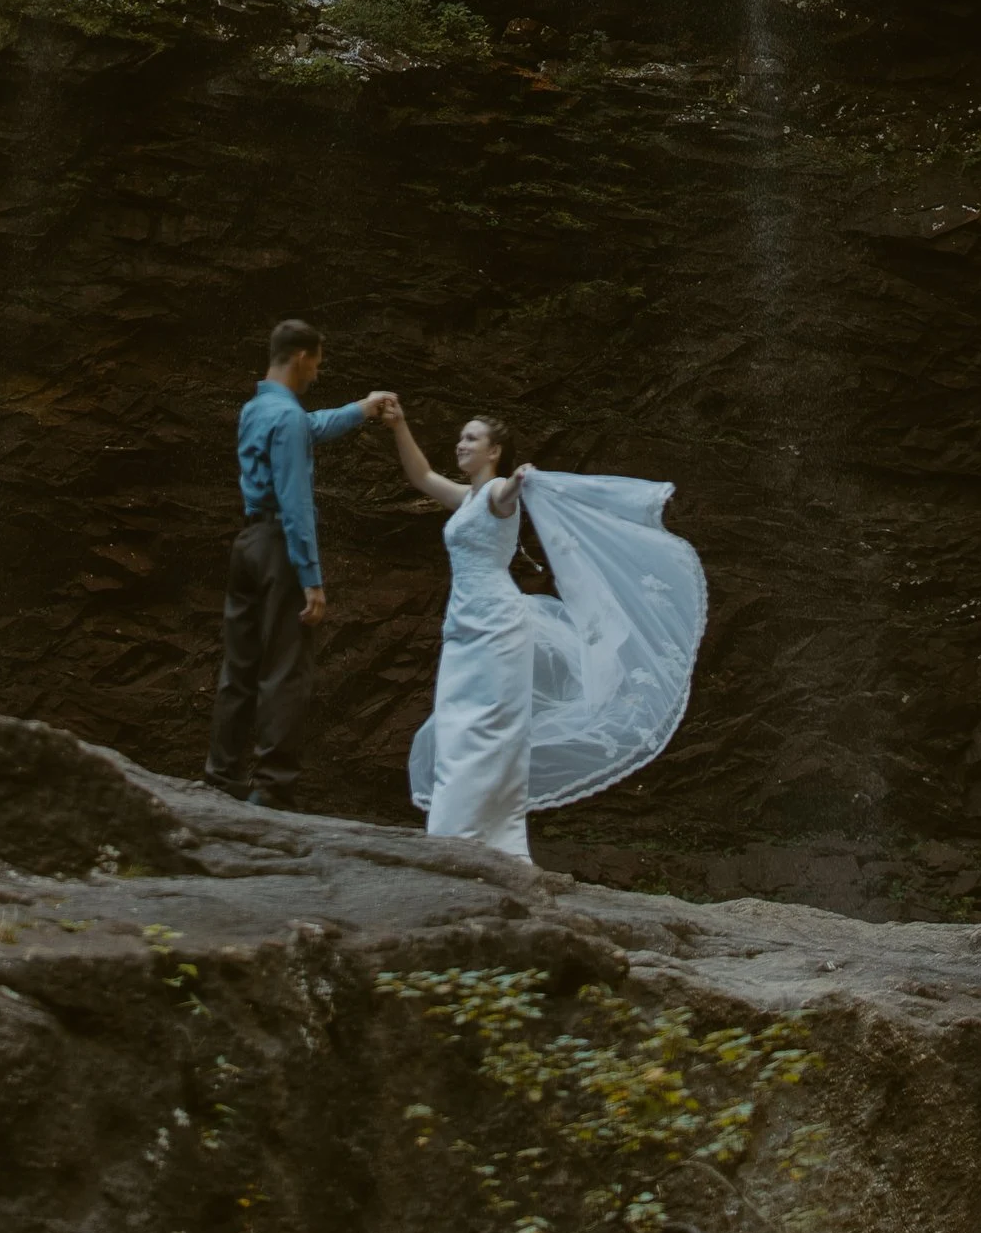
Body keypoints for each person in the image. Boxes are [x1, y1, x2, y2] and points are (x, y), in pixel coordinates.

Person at [382, 402, 707, 863]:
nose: (461, 443)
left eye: (472, 438)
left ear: (494, 452)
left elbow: (508, 496)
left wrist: (518, 480)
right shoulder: (467, 497)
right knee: (458, 726)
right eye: (461, 436)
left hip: (497, 624)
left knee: (487, 729)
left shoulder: (495, 492)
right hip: (463, 628)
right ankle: (470, 838)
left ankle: (465, 838)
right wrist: (399, 425)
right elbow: (420, 476)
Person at [205, 317, 397, 806]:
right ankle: (273, 790)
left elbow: (310, 427)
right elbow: (295, 502)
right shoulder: (287, 418)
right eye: (317, 362)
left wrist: (361, 408)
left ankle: (222, 777)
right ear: (300, 357)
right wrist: (312, 577)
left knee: (239, 665)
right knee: (287, 668)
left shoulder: (257, 409)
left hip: (247, 544)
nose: (318, 372)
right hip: (278, 545)